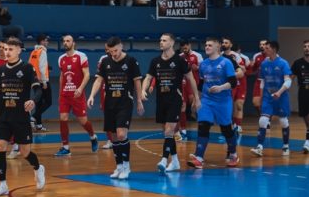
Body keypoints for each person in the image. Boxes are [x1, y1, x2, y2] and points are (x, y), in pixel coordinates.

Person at [0, 37, 46, 196]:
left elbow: (38, 90)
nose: (6, 52)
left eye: (10, 49)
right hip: (4, 117)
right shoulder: (0, 70)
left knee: (25, 152)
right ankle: (2, 184)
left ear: (19, 50)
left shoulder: (27, 68)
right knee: (0, 146)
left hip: (21, 117)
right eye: (5, 49)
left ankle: (38, 168)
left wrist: (33, 101)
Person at [141, 33, 200, 172]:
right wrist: (143, 90)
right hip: (161, 100)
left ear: (172, 43)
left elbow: (191, 79)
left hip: (175, 100)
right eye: (160, 40)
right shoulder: (155, 61)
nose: (161, 42)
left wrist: (196, 98)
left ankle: (163, 160)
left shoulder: (180, 61)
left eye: (164, 40)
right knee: (167, 133)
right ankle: (175, 161)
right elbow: (148, 78)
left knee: (169, 130)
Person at [87, 37, 145, 179]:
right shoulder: (106, 61)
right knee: (113, 137)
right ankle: (118, 166)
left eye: (116, 50)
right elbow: (99, 80)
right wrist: (91, 96)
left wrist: (139, 101)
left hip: (125, 102)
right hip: (110, 103)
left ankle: (126, 165)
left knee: (121, 135)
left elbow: (137, 82)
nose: (114, 54)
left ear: (121, 46)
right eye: (111, 51)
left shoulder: (131, 61)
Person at [185, 37, 240, 169]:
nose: (207, 47)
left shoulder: (226, 63)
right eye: (206, 45)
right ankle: (199, 157)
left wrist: (220, 87)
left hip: (223, 101)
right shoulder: (203, 64)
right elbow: (201, 83)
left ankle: (233, 154)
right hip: (207, 101)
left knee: (226, 129)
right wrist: (196, 99)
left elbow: (233, 82)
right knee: (203, 125)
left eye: (210, 45)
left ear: (218, 47)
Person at [54, 35, 98, 157]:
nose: (65, 43)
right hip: (64, 95)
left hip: (77, 94)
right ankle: (65, 147)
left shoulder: (81, 56)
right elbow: (62, 76)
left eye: (68, 41)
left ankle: (93, 136)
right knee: (63, 118)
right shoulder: (61, 59)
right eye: (64, 41)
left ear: (73, 43)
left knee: (83, 120)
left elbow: (87, 75)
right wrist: (60, 93)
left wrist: (80, 89)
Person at [250, 41, 293, 157]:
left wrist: (279, 92)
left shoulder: (283, 63)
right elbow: (262, 82)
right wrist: (260, 96)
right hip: (268, 97)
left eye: (267, 48)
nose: (264, 49)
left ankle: (285, 145)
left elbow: (288, 80)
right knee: (263, 120)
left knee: (283, 121)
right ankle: (259, 146)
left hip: (281, 96)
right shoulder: (264, 64)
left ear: (273, 49)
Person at [291, 40, 309, 153]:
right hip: (303, 93)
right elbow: (290, 78)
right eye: (305, 46)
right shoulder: (298, 63)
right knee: (307, 119)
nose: (307, 48)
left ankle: (307, 143)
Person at [178, 40, 203, 140]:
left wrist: (197, 68)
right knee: (182, 106)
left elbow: (203, 69)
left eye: (186, 47)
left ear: (189, 45)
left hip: (194, 83)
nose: (184, 49)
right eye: (183, 48)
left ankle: (202, 127)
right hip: (183, 83)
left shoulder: (197, 55)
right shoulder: (180, 57)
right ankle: (183, 130)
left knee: (194, 104)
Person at [29, 34, 51, 133]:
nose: (47, 42)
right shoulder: (42, 51)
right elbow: (42, 68)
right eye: (46, 40)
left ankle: (39, 125)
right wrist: (44, 81)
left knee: (39, 103)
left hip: (34, 80)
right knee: (48, 102)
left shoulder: (34, 51)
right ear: (41, 41)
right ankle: (33, 117)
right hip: (42, 81)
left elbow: (31, 66)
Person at [249, 40, 268, 113]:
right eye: (260, 44)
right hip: (258, 81)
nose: (262, 46)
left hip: (269, 82)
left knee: (268, 102)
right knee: (256, 102)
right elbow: (253, 70)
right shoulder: (256, 56)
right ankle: (264, 117)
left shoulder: (272, 55)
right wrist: (252, 66)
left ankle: (266, 119)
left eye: (264, 44)